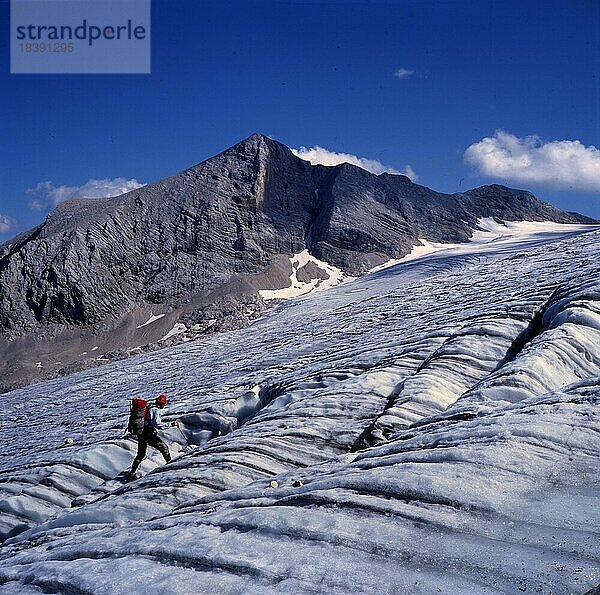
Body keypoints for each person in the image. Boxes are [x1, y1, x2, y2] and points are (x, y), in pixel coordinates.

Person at [129, 394, 179, 479]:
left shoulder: (149, 406)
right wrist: (171, 424)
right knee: (164, 448)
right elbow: (157, 424)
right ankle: (171, 466)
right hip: (147, 433)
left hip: (141, 432)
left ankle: (132, 473)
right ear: (162, 403)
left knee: (140, 454)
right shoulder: (155, 410)